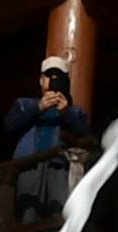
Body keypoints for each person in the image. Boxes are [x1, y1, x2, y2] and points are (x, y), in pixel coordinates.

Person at [9, 59, 92, 220]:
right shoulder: (25, 104)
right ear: (41, 80)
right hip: (30, 165)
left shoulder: (75, 111)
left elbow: (84, 135)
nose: (53, 81)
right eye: (50, 77)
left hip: (59, 166)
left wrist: (65, 113)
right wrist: (38, 108)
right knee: (28, 213)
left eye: (58, 78)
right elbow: (11, 125)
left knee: (57, 214)